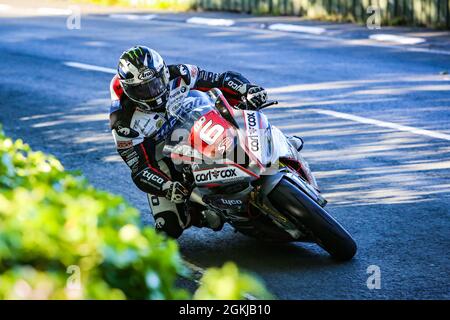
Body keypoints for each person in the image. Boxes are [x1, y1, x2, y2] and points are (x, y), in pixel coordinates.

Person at [109, 45, 303, 238]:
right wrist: (166, 186)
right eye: (142, 90)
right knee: (168, 228)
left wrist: (247, 89)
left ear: (164, 74)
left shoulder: (181, 74)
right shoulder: (124, 123)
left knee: (244, 112)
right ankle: (201, 210)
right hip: (165, 154)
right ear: (129, 91)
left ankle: (279, 142)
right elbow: (140, 168)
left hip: (201, 123)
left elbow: (220, 80)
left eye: (155, 84)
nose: (152, 92)